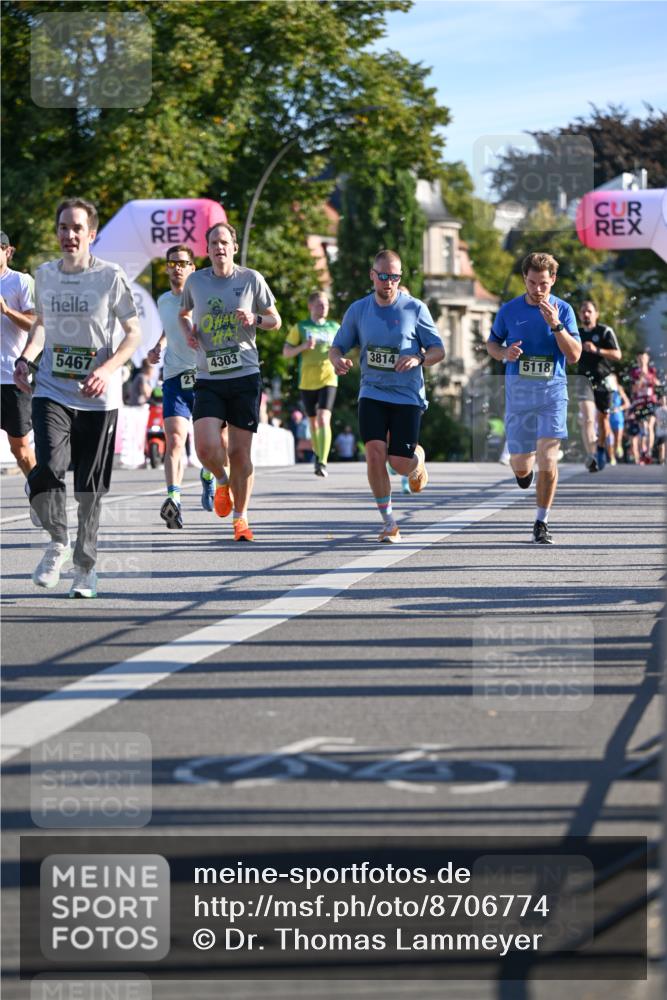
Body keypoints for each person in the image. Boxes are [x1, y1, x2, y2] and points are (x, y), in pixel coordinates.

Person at [14, 197, 140, 597]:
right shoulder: (45, 276)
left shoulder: (110, 276)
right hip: (52, 388)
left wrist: (106, 369)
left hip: (98, 398)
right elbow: (41, 326)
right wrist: (26, 359)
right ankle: (57, 544)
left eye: (77, 228)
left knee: (89, 490)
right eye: (63, 227)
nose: (69, 234)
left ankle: (85, 570)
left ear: (92, 234)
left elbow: (133, 332)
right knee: (48, 465)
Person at [329, 249, 445, 543]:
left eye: (394, 277)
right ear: (373, 276)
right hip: (372, 391)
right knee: (374, 453)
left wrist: (419, 359)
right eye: (383, 276)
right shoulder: (358, 310)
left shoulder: (415, 309)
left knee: (399, 464)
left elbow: (438, 350)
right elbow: (337, 346)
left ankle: (415, 459)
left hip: (407, 395)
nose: (388, 282)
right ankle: (389, 523)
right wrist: (337, 359)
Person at [179, 221, 281, 542]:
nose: (219, 247)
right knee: (205, 446)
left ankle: (241, 519)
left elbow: (275, 321)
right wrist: (189, 333)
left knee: (240, 453)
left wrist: (255, 319)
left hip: (245, 376)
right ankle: (222, 482)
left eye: (224, 242)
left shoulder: (251, 279)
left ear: (234, 247)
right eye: (213, 243)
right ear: (206, 250)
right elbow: (183, 314)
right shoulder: (195, 281)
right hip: (209, 376)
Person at [486, 252, 581, 544]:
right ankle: (523, 475)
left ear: (552, 280)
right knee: (521, 464)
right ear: (524, 279)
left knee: (548, 459)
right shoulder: (509, 310)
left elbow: (574, 355)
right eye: (532, 282)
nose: (537, 289)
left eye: (543, 283)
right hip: (520, 396)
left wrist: (556, 326)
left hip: (552, 394)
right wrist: (504, 353)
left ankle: (541, 521)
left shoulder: (563, 310)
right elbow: (492, 343)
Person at [147, 245, 224, 529]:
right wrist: (158, 347)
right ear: (167, 268)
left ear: (192, 267)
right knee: (176, 439)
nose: (177, 267)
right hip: (175, 377)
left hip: (206, 377)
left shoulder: (205, 297)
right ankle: (174, 502)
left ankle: (207, 474)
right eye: (172, 263)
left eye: (183, 263)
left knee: (214, 444)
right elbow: (169, 328)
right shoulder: (164, 300)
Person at [283, 291, 339, 477]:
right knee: (313, 423)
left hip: (328, 377)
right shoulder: (300, 327)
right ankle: (318, 454)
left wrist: (340, 356)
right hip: (307, 381)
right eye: (319, 305)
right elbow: (286, 352)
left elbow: (344, 348)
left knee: (324, 418)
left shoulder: (334, 327)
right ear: (310, 306)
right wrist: (303, 347)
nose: (324, 308)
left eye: (326, 305)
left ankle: (322, 462)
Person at [0, 230, 37, 478]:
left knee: (20, 449)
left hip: (10, 377)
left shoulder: (21, 281)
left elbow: (36, 325)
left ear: (7, 251)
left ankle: (40, 493)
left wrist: (6, 310)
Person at [575, 299, 621, 472]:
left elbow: (618, 354)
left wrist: (597, 350)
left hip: (603, 379)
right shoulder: (575, 333)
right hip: (583, 380)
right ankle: (591, 455)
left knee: (603, 420)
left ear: (596, 314)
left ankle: (601, 447)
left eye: (589, 311)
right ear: (579, 315)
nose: (586, 314)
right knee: (587, 417)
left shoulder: (605, 332)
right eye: (583, 311)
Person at [628, 348, 659, 464]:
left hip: (651, 401)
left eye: (644, 358)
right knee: (644, 427)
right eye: (640, 358)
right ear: (637, 359)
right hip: (639, 403)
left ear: (647, 359)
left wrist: (655, 381)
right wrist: (641, 378)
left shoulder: (652, 370)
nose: (642, 360)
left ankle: (649, 451)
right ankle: (643, 450)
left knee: (650, 425)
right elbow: (634, 389)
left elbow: (657, 385)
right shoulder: (635, 372)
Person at [606, 373, 630, 464]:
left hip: (618, 416)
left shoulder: (619, 389)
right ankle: (612, 457)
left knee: (617, 438)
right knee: (609, 438)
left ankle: (618, 446)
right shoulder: (605, 389)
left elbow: (627, 403)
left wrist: (619, 408)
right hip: (608, 415)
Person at [654, 393, 667, 464]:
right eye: (662, 399)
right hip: (660, 431)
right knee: (661, 447)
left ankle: (664, 459)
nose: (663, 400)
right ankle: (661, 461)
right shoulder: (657, 410)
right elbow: (655, 421)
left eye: (664, 399)